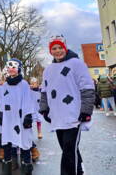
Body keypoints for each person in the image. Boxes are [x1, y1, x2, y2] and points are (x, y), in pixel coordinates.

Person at [39, 35, 95, 175]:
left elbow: (87, 88)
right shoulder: (48, 70)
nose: (57, 51)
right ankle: (80, 170)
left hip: (74, 115)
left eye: (60, 48)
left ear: (65, 48)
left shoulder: (77, 64)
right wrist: (44, 109)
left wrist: (86, 111)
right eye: (54, 48)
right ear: (50, 51)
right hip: (58, 117)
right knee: (67, 148)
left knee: (69, 150)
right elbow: (44, 91)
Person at [0, 59, 34, 175]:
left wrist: (28, 116)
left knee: (24, 143)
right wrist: (1, 113)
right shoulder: (5, 85)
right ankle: (7, 168)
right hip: (9, 119)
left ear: (18, 69)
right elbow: (2, 101)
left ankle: (26, 168)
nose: (11, 69)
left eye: (14, 67)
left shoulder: (23, 84)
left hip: (21, 119)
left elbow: (28, 100)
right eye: (9, 67)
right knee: (8, 143)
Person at [29, 77, 42, 163]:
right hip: (31, 107)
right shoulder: (28, 90)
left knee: (38, 120)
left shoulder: (39, 90)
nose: (33, 85)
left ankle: (39, 132)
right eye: (31, 83)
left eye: (34, 83)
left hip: (38, 107)